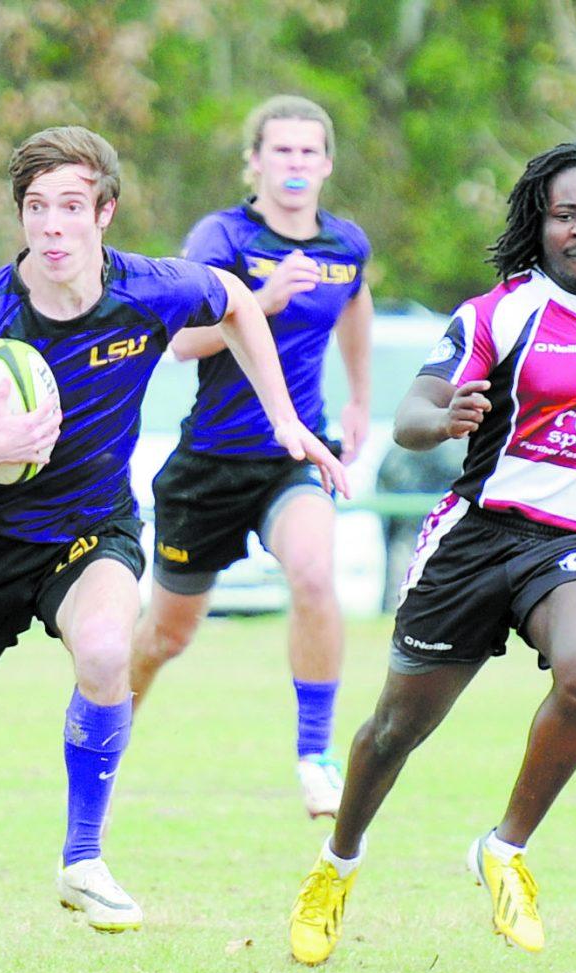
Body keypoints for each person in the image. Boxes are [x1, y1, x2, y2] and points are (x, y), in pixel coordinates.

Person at [0, 124, 347, 973]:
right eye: (36, 208)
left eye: (70, 208)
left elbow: (239, 303)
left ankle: (82, 857)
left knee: (104, 652)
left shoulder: (148, 289)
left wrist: (285, 422)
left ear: (105, 213)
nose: (53, 227)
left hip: (94, 528)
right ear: (21, 217)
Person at [288, 142, 576, 964]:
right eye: (566, 214)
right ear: (540, 225)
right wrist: (440, 422)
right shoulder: (498, 314)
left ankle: (504, 849)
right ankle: (337, 864)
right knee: (397, 728)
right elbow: (413, 409)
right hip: (478, 540)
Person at [129, 95, 374, 818]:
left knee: (312, 572)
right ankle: (103, 741)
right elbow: (181, 342)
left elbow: (355, 302)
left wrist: (358, 397)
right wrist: (259, 301)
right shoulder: (223, 236)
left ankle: (315, 757)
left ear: (326, 164)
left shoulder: (344, 247)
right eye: (282, 151)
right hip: (210, 462)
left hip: (294, 453)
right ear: (255, 161)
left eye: (308, 152)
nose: (295, 164)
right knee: (167, 636)